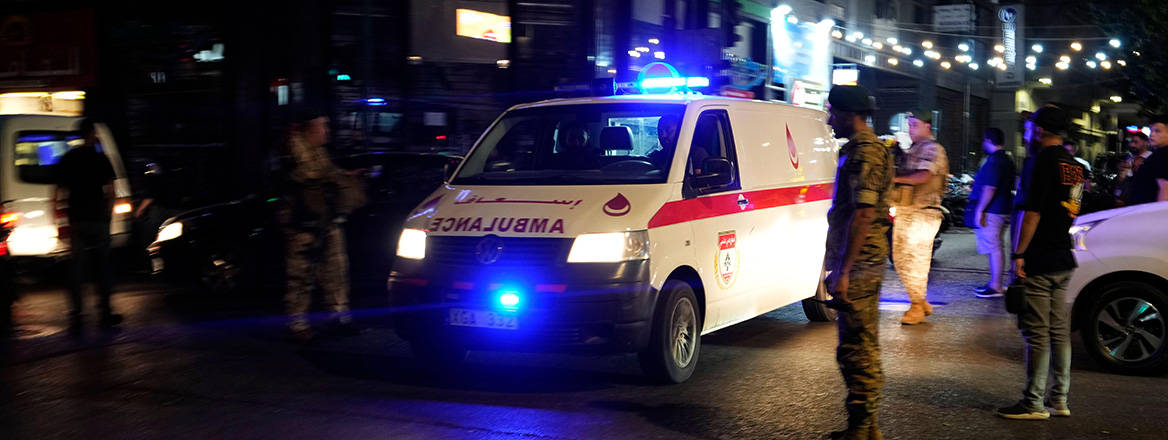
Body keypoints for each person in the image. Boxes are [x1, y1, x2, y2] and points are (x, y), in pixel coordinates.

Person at [997, 104, 1084, 420]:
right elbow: (1071, 208)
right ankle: (1059, 400)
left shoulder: (1040, 161)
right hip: (1063, 256)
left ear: (1042, 130)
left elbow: (1032, 212)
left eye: (1031, 125)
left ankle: (1033, 403)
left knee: (1037, 332)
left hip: (1040, 257)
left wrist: (1019, 254)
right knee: (1059, 332)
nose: (1027, 130)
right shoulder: (1074, 165)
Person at [823, 84, 893, 440]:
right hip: (863, 261)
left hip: (861, 264)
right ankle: (866, 426)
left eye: (833, 112)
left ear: (850, 114)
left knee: (857, 347)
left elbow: (863, 214)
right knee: (860, 343)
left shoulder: (865, 153)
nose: (829, 118)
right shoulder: (866, 149)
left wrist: (845, 271)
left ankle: (863, 426)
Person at [279, 108, 363, 342]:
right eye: (321, 127)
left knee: (335, 271)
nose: (326, 132)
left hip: (325, 221)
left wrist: (345, 176)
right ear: (308, 130)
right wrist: (336, 178)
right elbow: (308, 176)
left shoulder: (319, 152)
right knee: (301, 275)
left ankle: (337, 317)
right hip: (303, 224)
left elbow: (329, 174)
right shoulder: (294, 151)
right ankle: (296, 325)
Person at [54, 118, 120, 329]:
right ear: (93, 134)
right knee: (103, 266)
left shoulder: (68, 158)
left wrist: (59, 221)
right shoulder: (102, 159)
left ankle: (77, 315)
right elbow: (112, 191)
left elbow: (57, 193)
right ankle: (105, 312)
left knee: (76, 269)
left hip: (77, 220)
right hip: (98, 219)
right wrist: (108, 215)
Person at [890, 110, 948, 325]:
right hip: (907, 210)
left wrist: (894, 178)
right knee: (900, 259)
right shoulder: (915, 148)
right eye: (909, 125)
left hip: (923, 213)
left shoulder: (933, 149)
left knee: (916, 261)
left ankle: (916, 305)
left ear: (927, 126)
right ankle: (920, 301)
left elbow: (924, 175)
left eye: (915, 124)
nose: (911, 129)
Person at [968, 128, 1015, 298]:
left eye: (984, 141)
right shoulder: (1007, 160)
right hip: (1004, 208)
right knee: (998, 246)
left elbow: (990, 188)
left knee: (994, 248)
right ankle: (996, 283)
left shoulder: (993, 161)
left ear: (988, 140)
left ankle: (995, 285)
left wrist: (980, 210)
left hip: (992, 210)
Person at [1122, 116, 1168, 206]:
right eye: (1151, 131)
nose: (1152, 134)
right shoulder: (1158, 154)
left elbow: (1165, 188)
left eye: (1157, 131)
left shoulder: (1163, 154)